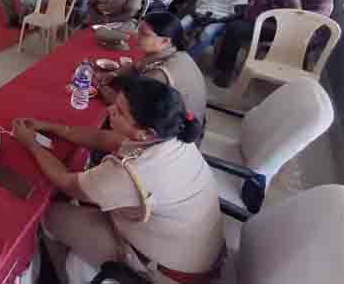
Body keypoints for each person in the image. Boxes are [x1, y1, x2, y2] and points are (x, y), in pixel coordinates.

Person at [12, 76, 222, 283]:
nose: (110, 110)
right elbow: (103, 139)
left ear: (146, 134)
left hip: (167, 271)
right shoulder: (171, 132)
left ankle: (60, 276)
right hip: (188, 245)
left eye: (120, 112)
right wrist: (51, 127)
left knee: (51, 214)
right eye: (116, 104)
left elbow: (66, 183)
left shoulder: (130, 173)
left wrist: (31, 144)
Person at [212, 0, 334, 87]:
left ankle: (295, 84)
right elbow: (254, 11)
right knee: (236, 27)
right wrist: (272, 21)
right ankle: (225, 71)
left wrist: (295, 4)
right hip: (273, 28)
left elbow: (309, 29)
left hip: (302, 39)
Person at [101, 13, 208, 123]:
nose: (136, 36)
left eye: (144, 34)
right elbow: (137, 65)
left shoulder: (158, 74)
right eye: (138, 30)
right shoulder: (177, 52)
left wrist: (100, 85)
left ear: (165, 41)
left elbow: (126, 107)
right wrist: (114, 74)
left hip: (173, 131)